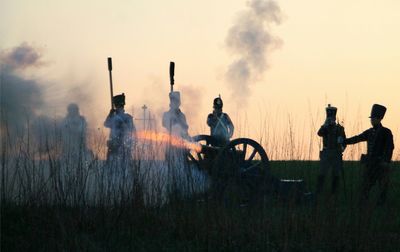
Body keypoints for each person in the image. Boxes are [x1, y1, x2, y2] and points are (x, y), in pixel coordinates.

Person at [344, 104, 394, 205]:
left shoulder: (386, 132)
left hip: (381, 165)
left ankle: (381, 205)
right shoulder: (369, 132)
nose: (371, 120)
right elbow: (357, 138)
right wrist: (344, 141)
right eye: (371, 118)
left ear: (379, 119)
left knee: (382, 187)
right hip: (370, 164)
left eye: (373, 118)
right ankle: (363, 204)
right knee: (365, 186)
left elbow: (390, 147)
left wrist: (385, 161)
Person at [316, 104, 346, 196]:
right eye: (329, 117)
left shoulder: (340, 128)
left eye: (332, 117)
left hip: (336, 153)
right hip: (326, 152)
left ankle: (334, 193)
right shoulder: (325, 128)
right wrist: (325, 125)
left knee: (336, 174)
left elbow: (344, 142)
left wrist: (342, 148)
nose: (330, 119)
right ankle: (319, 192)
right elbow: (319, 133)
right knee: (322, 173)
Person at [104, 93, 136, 161]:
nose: (117, 107)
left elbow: (133, 130)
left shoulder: (127, 117)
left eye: (117, 105)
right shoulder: (113, 117)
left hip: (124, 146)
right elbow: (106, 124)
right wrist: (110, 114)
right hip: (114, 146)